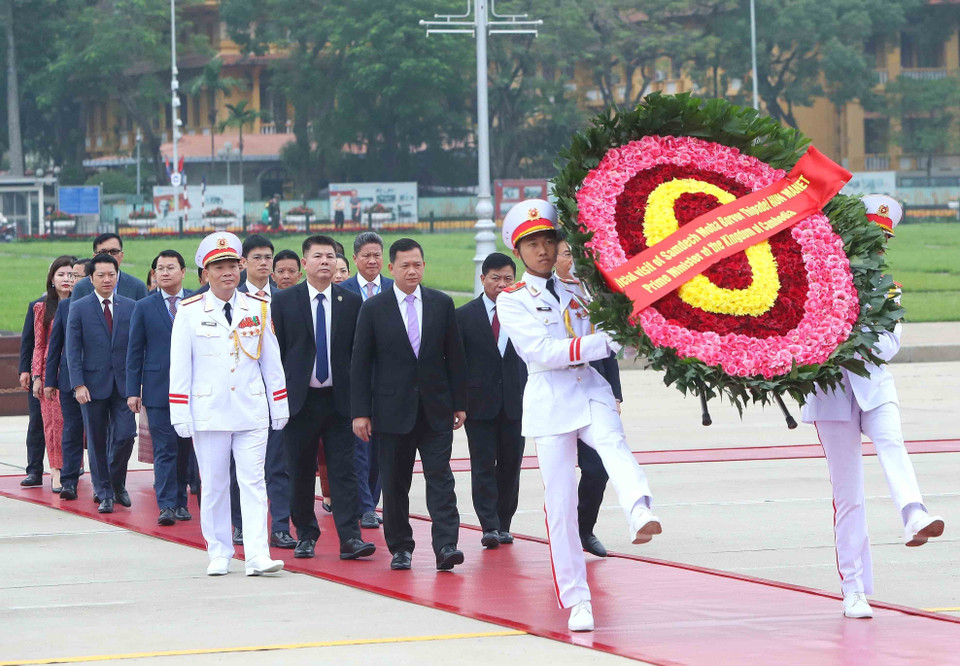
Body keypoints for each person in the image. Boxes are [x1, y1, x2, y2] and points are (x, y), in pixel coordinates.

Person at [496, 200, 661, 632]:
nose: (543, 250)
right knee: (561, 504)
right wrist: (603, 343)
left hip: (589, 389)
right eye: (532, 244)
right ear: (519, 251)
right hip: (549, 399)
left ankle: (640, 509)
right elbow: (540, 352)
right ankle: (576, 599)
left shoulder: (578, 290)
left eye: (549, 241)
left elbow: (615, 339)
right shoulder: (512, 301)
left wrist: (633, 333)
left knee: (613, 445)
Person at [801, 194, 944, 620]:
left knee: (893, 443)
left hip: (874, 387)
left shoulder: (889, 289)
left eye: (883, 240)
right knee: (849, 498)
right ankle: (854, 589)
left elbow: (887, 344)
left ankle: (914, 514)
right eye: (870, 237)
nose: (877, 248)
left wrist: (853, 321)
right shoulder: (821, 280)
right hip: (831, 395)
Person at [169, 232, 287, 577]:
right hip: (210, 411)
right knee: (216, 485)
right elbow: (181, 366)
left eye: (232, 265)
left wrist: (279, 405)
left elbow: (271, 362)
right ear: (205, 274)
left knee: (254, 483)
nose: (227, 272)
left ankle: (257, 555)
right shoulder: (190, 312)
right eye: (218, 266)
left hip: (251, 409)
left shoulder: (258, 307)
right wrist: (180, 412)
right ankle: (219, 551)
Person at [351, 238, 468, 572]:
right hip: (390, 412)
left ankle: (446, 545)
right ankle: (401, 547)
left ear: (424, 266)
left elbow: (455, 356)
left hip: (436, 410)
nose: (412, 270)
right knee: (396, 482)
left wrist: (460, 402)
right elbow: (360, 363)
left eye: (417, 264)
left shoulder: (441, 304)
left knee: (441, 478)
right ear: (391, 268)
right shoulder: (374, 308)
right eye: (405, 265)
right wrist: (360, 412)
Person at [272, 235, 376, 561]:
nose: (325, 262)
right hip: (300, 402)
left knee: (344, 471)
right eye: (317, 256)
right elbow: (280, 354)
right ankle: (305, 534)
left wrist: (362, 405)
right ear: (305, 263)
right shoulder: (285, 302)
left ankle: (350, 538)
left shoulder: (352, 302)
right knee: (300, 471)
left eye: (330, 257)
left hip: (339, 401)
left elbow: (359, 358)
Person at [555, 231, 623, 559]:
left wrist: (616, 394)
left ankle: (585, 528)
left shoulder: (590, 295)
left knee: (597, 467)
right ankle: (564, 535)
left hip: (593, 392)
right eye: (567, 254)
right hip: (558, 396)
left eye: (576, 254)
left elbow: (606, 348)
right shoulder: (545, 297)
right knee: (562, 475)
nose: (574, 261)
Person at [226, 234, 295, 550]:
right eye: (257, 258)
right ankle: (239, 525)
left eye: (269, 257)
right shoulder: (228, 299)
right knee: (239, 465)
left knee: (278, 465)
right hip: (238, 396)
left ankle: (280, 526)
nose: (265, 263)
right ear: (243, 263)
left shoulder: (288, 299)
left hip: (278, 394)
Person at [456, 252, 525, 548]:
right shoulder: (463, 316)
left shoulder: (526, 313)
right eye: (495, 278)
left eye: (508, 278)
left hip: (517, 403)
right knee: (483, 465)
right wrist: (456, 403)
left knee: (510, 465)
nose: (501, 284)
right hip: (478, 405)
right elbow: (455, 363)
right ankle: (488, 525)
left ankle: (504, 523)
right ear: (482, 279)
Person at [126, 250, 195, 526]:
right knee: (164, 449)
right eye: (159, 269)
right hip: (157, 389)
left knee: (185, 448)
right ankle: (166, 504)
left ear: (183, 271)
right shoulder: (144, 306)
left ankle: (181, 500)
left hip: (192, 389)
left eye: (170, 267)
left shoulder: (196, 302)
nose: (164, 273)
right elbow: (134, 350)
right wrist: (134, 390)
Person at [66, 254, 137, 513]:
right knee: (96, 440)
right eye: (101, 275)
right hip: (92, 385)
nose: (107, 279)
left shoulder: (130, 305)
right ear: (91, 278)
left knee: (126, 435)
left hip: (124, 385)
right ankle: (104, 491)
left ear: (118, 275)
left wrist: (136, 384)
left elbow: (136, 347)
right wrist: (78, 384)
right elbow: (72, 350)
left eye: (112, 274)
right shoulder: (80, 306)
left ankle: (117, 483)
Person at [340, 231, 394, 529]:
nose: (372, 261)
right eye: (366, 256)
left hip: (388, 383)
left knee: (381, 451)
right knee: (359, 447)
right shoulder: (343, 291)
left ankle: (371, 501)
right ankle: (364, 507)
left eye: (377, 255)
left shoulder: (394, 288)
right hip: (355, 382)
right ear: (355, 259)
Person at [31, 256, 78, 492]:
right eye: (61, 274)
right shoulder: (42, 308)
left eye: (71, 274)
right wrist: (37, 376)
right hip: (51, 372)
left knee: (74, 424)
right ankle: (56, 471)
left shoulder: (82, 302)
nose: (66, 279)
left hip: (76, 370)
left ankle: (73, 469)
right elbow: (39, 345)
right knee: (53, 424)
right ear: (52, 279)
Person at [44, 259, 89, 501]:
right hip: (69, 379)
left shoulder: (104, 306)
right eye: (70, 275)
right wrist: (50, 381)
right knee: (72, 430)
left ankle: (108, 483)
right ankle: (69, 480)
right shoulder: (66, 307)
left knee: (101, 434)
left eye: (77, 276)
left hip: (99, 380)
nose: (72, 280)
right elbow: (55, 347)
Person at [19, 294, 47, 488]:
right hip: (40, 373)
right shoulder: (37, 305)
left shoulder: (81, 304)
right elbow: (29, 341)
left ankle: (68, 469)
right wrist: (25, 370)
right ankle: (34, 470)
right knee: (37, 421)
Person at [71, 233, 148, 301]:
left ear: (121, 255)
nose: (109, 256)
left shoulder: (137, 287)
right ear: (94, 257)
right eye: (103, 252)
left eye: (114, 251)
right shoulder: (81, 287)